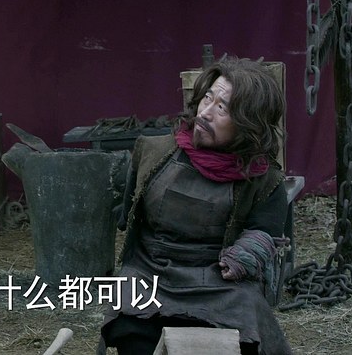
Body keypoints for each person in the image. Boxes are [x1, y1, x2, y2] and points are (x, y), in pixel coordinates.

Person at [100, 56, 292, 355]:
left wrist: (244, 254)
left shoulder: (265, 180)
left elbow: (265, 231)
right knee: (133, 324)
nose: (205, 112)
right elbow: (128, 215)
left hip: (218, 282)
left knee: (244, 327)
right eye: (207, 98)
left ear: (248, 124)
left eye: (222, 108)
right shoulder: (153, 152)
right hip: (150, 272)